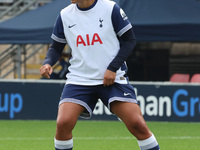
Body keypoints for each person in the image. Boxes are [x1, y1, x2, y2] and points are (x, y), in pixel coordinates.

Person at [40, 0, 160, 150]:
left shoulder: (110, 8)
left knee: (137, 125)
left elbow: (129, 40)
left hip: (112, 79)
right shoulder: (65, 15)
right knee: (63, 123)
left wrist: (113, 68)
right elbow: (56, 47)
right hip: (79, 79)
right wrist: (47, 63)